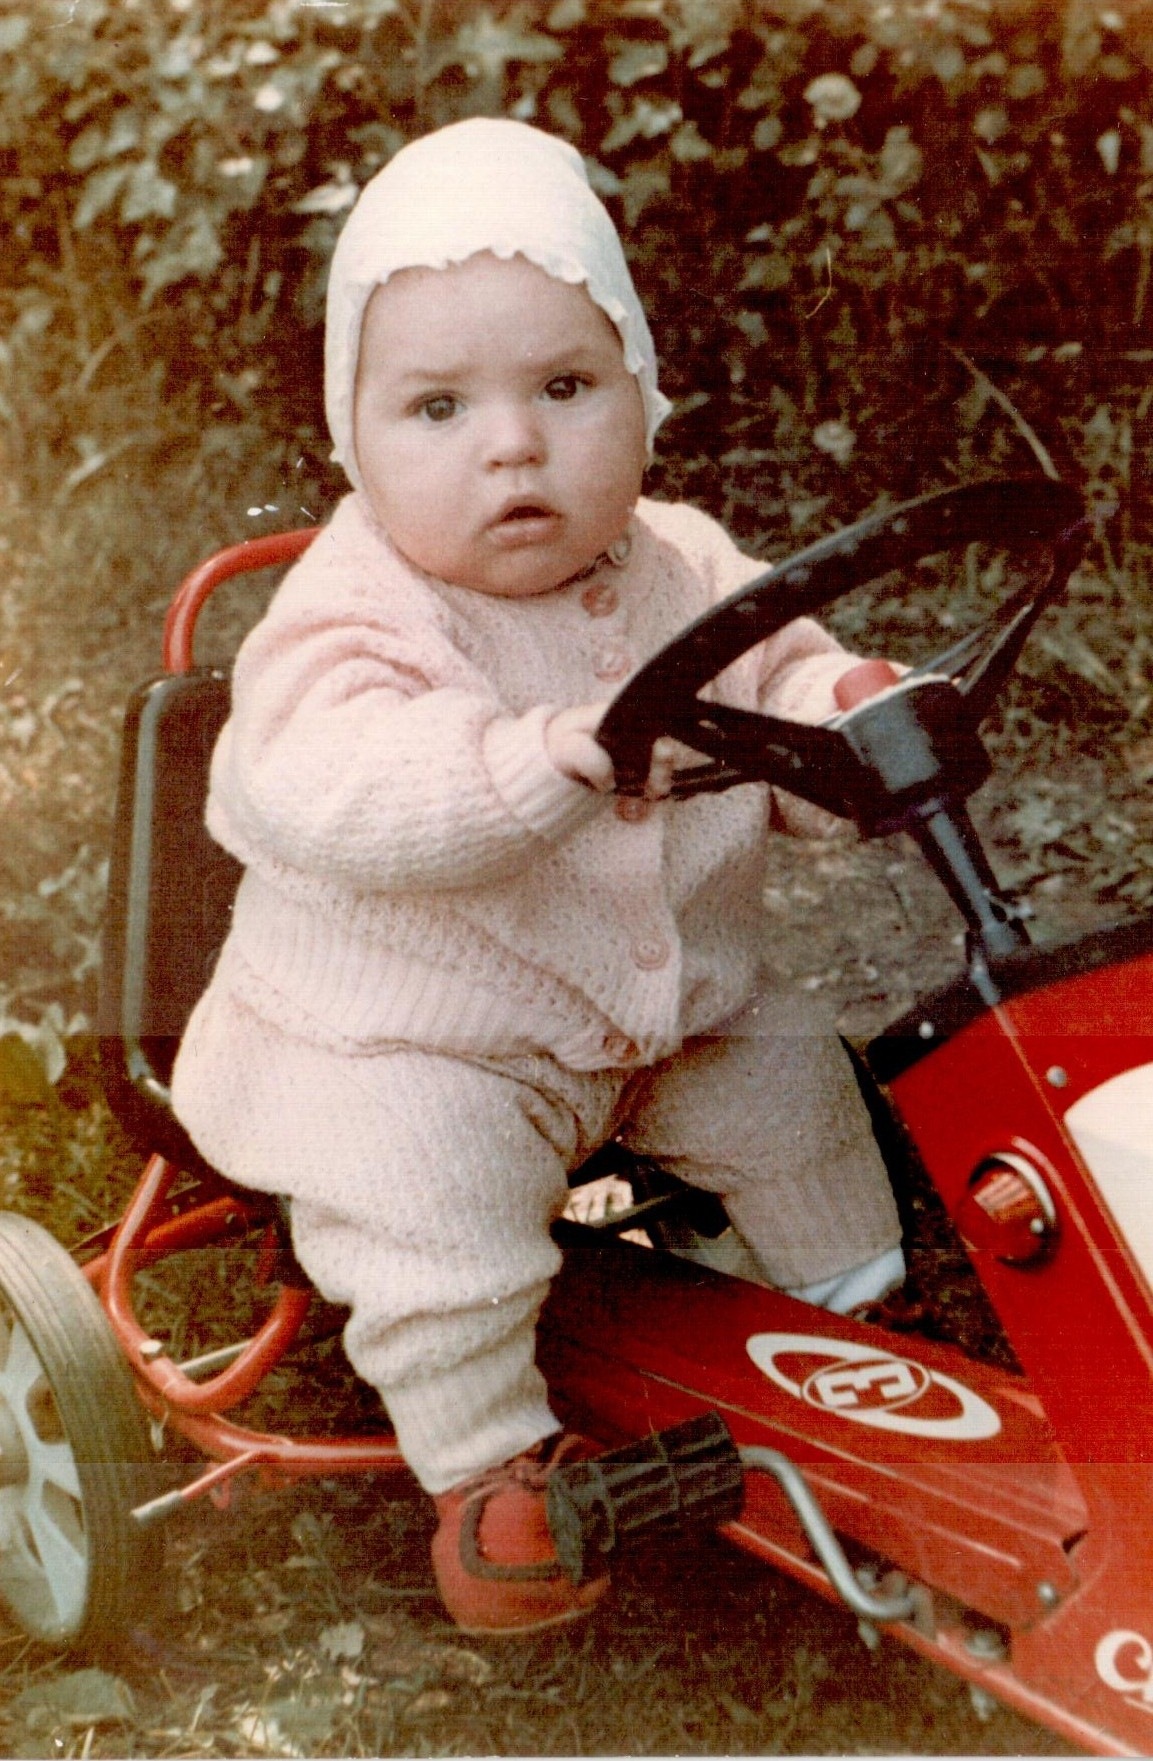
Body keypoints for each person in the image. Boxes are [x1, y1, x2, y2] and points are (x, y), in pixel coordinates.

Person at [171, 117, 907, 1635]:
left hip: (672, 1013)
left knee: (797, 1079)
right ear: (355, 437)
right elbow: (337, 786)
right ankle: (491, 1469)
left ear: (641, 390)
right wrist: (537, 758)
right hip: (414, 1035)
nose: (512, 445)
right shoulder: (350, 612)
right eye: (438, 407)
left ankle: (860, 1324)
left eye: (566, 388)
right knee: (426, 1194)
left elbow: (775, 664)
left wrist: (837, 708)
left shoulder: (681, 558)